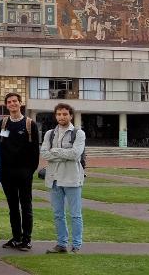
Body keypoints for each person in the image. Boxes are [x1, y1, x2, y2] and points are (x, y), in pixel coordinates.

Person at [41, 102, 86, 254]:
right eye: (59, 114)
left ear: (71, 115)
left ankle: (76, 245)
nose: (62, 117)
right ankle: (61, 244)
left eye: (65, 114)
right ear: (55, 116)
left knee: (75, 214)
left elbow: (75, 154)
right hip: (54, 179)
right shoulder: (49, 133)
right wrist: (62, 153)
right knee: (58, 214)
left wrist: (55, 152)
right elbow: (44, 154)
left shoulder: (78, 133)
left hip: (72, 178)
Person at [0, 92, 40, 251]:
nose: (12, 104)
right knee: (13, 207)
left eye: (15, 101)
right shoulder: (3, 124)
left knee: (26, 205)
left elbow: (35, 151)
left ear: (20, 103)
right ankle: (16, 237)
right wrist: (2, 172)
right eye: (9, 102)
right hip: (7, 174)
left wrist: (29, 171)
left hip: (24, 173)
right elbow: (1, 148)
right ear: (6, 105)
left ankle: (26, 239)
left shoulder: (30, 124)